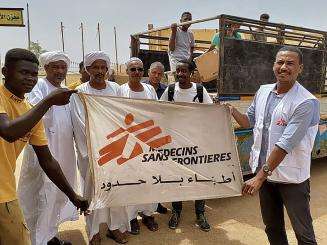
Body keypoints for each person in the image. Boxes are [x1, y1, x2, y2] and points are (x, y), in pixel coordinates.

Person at [228, 46, 319, 245]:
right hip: (267, 177)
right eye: (280, 62)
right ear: (273, 65)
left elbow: (285, 144)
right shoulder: (263, 91)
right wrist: (232, 110)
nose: (284, 67)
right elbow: (248, 122)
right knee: (273, 228)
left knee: (303, 233)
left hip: (292, 179)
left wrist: (259, 177)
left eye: (290, 63)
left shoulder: (306, 102)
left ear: (300, 68)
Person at [0, 49, 88, 245]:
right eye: (23, 73)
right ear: (5, 72)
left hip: (6, 188)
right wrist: (48, 101)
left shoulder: (29, 110)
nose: (30, 78)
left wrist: (73, 196)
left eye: (33, 74)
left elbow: (48, 161)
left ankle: (48, 237)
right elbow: (8, 131)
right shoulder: (10, 98)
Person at [17, 51, 79, 245]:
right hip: (43, 152)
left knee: (56, 197)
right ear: (46, 69)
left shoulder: (66, 90)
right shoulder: (39, 87)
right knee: (41, 197)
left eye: (63, 67)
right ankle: (38, 241)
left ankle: (50, 237)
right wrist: (51, 100)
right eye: (55, 67)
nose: (60, 71)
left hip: (65, 152)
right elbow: (34, 115)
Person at [70, 51, 128, 244]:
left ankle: (114, 228)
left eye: (103, 67)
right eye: (95, 67)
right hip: (92, 152)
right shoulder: (79, 92)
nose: (100, 71)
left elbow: (123, 115)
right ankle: (93, 231)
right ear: (88, 69)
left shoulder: (116, 89)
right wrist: (98, 142)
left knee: (116, 189)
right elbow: (79, 123)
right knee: (92, 192)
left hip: (116, 150)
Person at [160, 60, 212, 232]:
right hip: (176, 144)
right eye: (178, 71)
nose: (181, 74)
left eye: (184, 71)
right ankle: (176, 211)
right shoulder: (170, 90)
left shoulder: (199, 90)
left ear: (191, 73)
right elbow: (160, 110)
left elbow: (211, 113)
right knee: (177, 178)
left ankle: (200, 213)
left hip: (196, 143)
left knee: (199, 177)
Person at [119, 57, 159, 235]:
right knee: (131, 181)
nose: (136, 72)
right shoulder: (121, 91)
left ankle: (149, 214)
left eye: (139, 69)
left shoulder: (150, 89)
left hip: (149, 142)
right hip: (128, 144)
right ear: (127, 72)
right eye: (132, 69)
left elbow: (157, 112)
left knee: (150, 178)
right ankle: (131, 217)